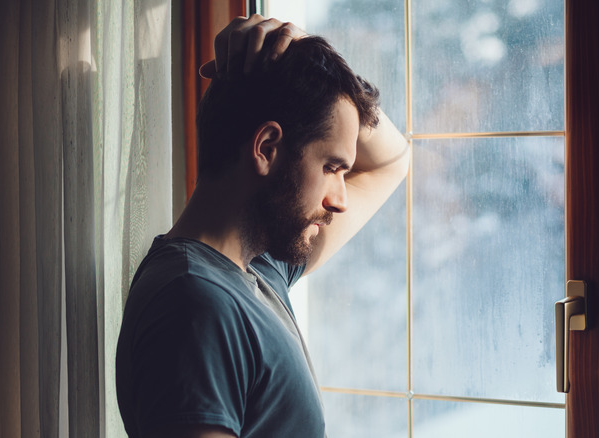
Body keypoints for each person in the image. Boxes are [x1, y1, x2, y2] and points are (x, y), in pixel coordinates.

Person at [115, 15, 409, 438]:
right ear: (267, 148)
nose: (340, 199)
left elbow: (391, 160)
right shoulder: (195, 305)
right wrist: (314, 65)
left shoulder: (259, 269)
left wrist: (308, 53)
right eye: (331, 168)